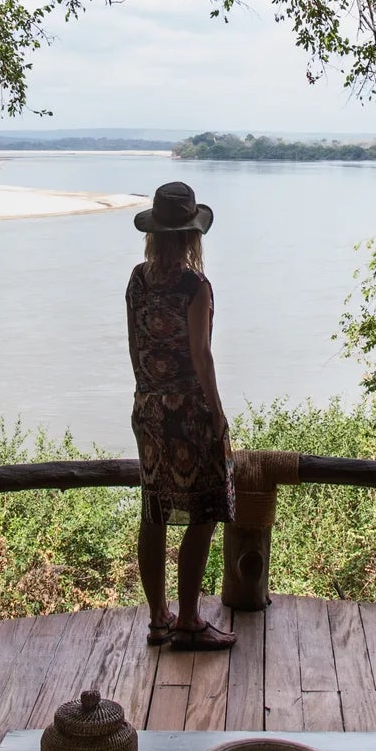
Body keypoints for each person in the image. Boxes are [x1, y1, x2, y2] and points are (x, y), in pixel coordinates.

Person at [126, 181, 236, 652]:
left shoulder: (137, 279)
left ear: (154, 233)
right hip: (189, 411)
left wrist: (149, 395)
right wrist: (217, 413)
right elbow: (201, 356)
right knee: (205, 510)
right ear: (192, 234)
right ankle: (189, 620)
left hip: (147, 407)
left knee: (153, 509)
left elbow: (135, 347)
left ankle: (158, 619)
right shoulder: (195, 285)